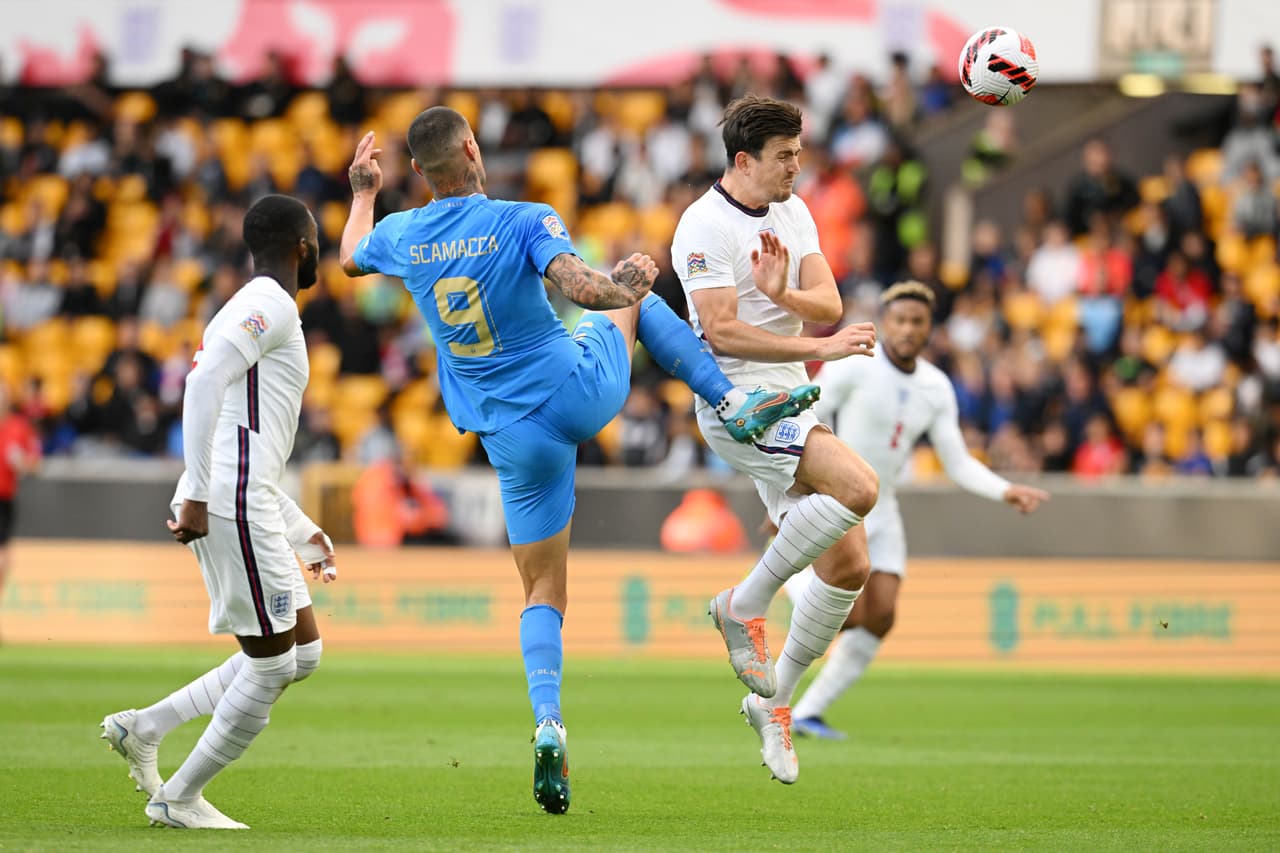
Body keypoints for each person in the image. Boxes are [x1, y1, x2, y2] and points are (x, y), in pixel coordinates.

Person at [337, 107, 818, 814]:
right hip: (573, 392)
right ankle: (729, 399)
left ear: (418, 172)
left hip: (508, 436)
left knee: (542, 593)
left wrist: (362, 193)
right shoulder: (522, 218)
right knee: (639, 298)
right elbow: (578, 286)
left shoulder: (403, 234)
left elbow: (350, 255)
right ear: (474, 148)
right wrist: (627, 281)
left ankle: (549, 721)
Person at [100, 195, 338, 830]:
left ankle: (145, 727)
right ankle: (177, 799)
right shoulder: (269, 304)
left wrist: (298, 526)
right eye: (316, 240)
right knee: (271, 665)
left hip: (247, 495)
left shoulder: (258, 304)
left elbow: (245, 436)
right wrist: (201, 492)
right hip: (229, 500)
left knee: (303, 654)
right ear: (302, 246)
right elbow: (200, 384)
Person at [671, 94, 882, 784]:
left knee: (850, 564)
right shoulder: (703, 226)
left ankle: (776, 704)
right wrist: (820, 342)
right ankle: (744, 601)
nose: (799, 163)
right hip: (738, 403)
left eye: (799, 150)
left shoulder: (793, 210)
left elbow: (829, 301)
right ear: (743, 161)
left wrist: (787, 298)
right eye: (785, 155)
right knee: (860, 487)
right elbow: (721, 330)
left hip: (791, 395)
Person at [779, 282, 1049, 740]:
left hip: (885, 509)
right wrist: (789, 486)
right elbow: (806, 413)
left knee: (881, 615)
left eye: (916, 322)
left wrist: (1005, 491)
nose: (907, 329)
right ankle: (790, 577)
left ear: (929, 329)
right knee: (845, 613)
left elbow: (957, 460)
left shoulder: (935, 386)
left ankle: (808, 711)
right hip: (839, 501)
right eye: (899, 320)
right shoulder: (854, 366)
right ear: (886, 324)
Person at [0, 384, 42, 636]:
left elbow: (35, 463)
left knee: (4, 558)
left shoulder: (18, 426)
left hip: (3, 499)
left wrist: (20, 461)